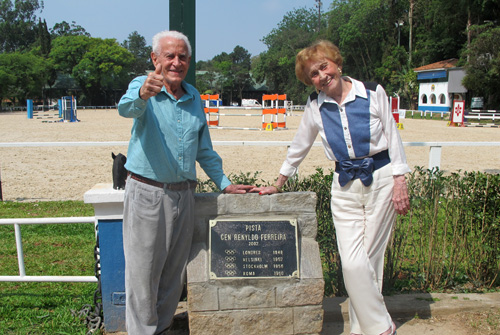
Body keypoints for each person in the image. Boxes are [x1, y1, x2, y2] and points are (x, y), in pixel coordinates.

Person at [251, 40, 410, 335]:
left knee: (370, 261)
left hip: (382, 179)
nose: (321, 76)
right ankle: (383, 326)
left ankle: (362, 330)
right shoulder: (315, 106)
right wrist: (278, 182)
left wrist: (400, 180)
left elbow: (392, 135)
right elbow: (300, 146)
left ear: (336, 63)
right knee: (352, 263)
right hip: (344, 186)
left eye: (324, 66)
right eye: (313, 73)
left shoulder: (373, 92)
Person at [118, 30, 253, 335]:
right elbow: (126, 108)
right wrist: (142, 94)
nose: (176, 62)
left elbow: (203, 149)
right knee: (142, 276)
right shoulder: (144, 86)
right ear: (155, 59)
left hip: (184, 196)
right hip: (148, 194)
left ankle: (162, 328)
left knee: (173, 275)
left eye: (182, 57)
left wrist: (224, 182)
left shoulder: (194, 97)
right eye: (169, 56)